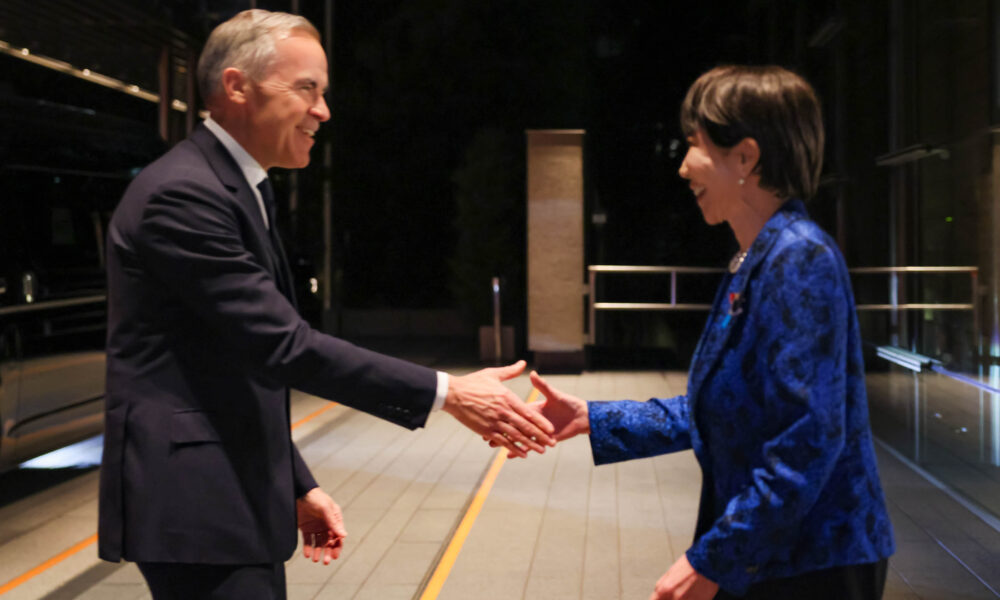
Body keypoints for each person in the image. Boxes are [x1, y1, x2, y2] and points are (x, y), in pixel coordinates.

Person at [97, 9, 553, 599]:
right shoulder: (184, 194)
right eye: (306, 88)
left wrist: (296, 484)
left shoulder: (236, 187)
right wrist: (450, 393)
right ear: (237, 87)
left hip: (226, 493)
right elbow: (283, 345)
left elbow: (230, 366)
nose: (323, 111)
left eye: (324, 92)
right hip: (198, 506)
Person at [527, 65, 895, 600]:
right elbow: (724, 406)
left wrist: (713, 559)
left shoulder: (799, 257)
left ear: (745, 158)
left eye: (695, 145)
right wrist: (594, 418)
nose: (682, 167)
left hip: (813, 561)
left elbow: (807, 440)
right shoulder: (757, 257)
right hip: (774, 555)